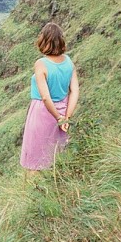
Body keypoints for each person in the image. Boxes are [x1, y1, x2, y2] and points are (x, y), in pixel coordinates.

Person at [20, 22, 79, 172]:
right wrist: (66, 117)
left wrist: (58, 118)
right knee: (56, 157)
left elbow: (45, 97)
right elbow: (75, 91)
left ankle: (32, 194)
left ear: (44, 41)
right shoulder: (68, 61)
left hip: (43, 112)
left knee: (35, 162)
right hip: (63, 108)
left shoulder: (41, 64)